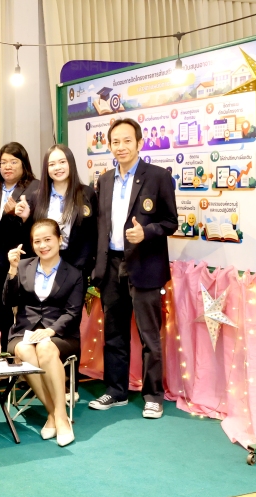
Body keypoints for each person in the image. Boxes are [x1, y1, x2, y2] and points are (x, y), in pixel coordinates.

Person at [89, 118, 177, 418]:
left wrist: (146, 233)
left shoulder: (158, 176)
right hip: (111, 265)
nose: (121, 147)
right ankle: (116, 391)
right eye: (115, 142)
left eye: (127, 140)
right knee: (114, 334)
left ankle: (153, 395)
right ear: (109, 146)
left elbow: (170, 222)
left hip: (144, 265)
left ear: (140, 143)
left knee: (149, 336)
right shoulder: (104, 181)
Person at [4, 220, 84, 447]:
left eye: (48, 239)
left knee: (46, 348)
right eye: (37, 241)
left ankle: (58, 417)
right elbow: (8, 301)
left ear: (60, 240)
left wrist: (51, 330)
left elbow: (73, 313)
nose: (43, 245)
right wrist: (12, 270)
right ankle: (56, 413)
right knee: (23, 349)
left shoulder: (74, 273)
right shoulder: (23, 266)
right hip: (24, 332)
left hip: (61, 334)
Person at [0, 142, 39, 352]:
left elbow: (39, 226)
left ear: (24, 164)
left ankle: (25, 357)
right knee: (1, 313)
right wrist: (5, 215)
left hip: (24, 259)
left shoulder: (36, 188)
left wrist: (19, 217)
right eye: (3, 162)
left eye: (13, 161)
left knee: (26, 313)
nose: (7, 166)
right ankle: (4, 356)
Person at [29, 144, 98, 277]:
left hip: (79, 267)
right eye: (52, 164)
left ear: (70, 163)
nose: (57, 167)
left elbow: (93, 234)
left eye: (62, 162)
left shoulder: (86, 194)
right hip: (46, 266)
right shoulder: (36, 197)